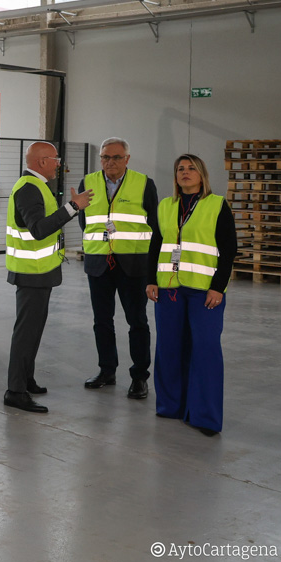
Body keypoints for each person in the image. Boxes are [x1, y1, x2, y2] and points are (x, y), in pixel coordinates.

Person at [145, 154, 237, 436]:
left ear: (202, 174)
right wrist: (151, 280)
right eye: (180, 169)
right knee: (169, 348)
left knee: (205, 350)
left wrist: (218, 287)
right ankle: (171, 406)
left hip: (204, 291)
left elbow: (229, 250)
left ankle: (204, 416)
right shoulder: (165, 205)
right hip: (169, 288)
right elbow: (156, 244)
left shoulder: (216, 204)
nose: (185, 172)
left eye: (191, 168)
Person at [4, 141, 94, 414]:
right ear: (42, 161)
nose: (59, 164)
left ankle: (25, 379)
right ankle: (15, 391)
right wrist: (73, 207)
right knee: (26, 333)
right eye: (56, 159)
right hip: (31, 273)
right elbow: (39, 229)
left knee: (33, 331)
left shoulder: (38, 186)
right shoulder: (29, 188)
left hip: (40, 272)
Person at [77, 138, 160, 400]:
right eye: (105, 157)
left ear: (127, 159)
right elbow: (84, 221)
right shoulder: (87, 182)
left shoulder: (144, 183)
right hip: (99, 262)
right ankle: (107, 371)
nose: (109, 162)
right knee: (102, 321)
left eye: (116, 157)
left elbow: (155, 224)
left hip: (133, 264)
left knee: (137, 321)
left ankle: (139, 377)